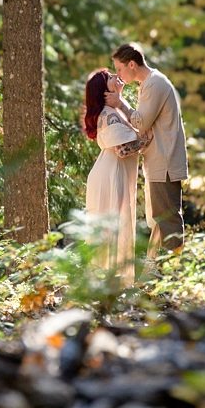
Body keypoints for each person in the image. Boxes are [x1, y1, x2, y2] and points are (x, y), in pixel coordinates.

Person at [112, 43, 187, 252]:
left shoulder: (154, 84)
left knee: (167, 221)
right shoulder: (148, 84)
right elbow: (143, 126)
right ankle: (159, 275)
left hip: (165, 163)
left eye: (119, 68)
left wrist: (119, 103)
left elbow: (141, 123)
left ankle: (174, 275)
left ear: (132, 64)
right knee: (159, 221)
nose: (118, 74)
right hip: (159, 162)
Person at [80, 67, 144, 285]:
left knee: (112, 227)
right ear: (103, 90)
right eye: (110, 77)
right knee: (111, 227)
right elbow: (122, 150)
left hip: (110, 172)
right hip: (110, 174)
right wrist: (149, 139)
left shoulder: (113, 111)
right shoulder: (108, 115)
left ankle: (107, 285)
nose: (117, 76)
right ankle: (106, 284)